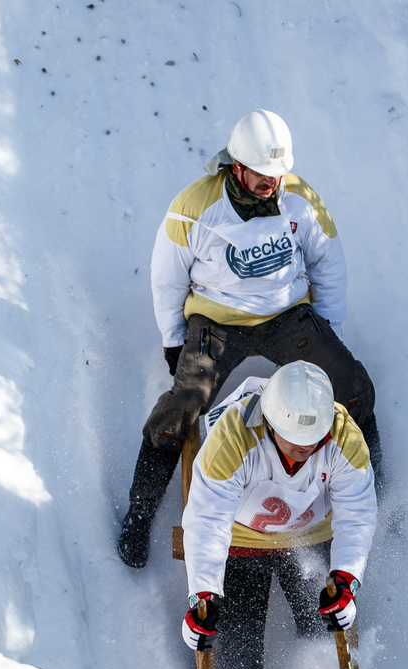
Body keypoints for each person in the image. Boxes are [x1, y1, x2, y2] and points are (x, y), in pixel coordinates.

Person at [118, 108, 382, 568]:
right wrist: (174, 339)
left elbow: (328, 263)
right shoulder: (195, 207)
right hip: (216, 321)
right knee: (184, 405)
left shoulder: (300, 198)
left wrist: (330, 337)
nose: (272, 184)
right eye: (262, 175)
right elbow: (166, 278)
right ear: (236, 166)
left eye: (278, 174)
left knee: (353, 389)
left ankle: (377, 489)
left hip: (287, 314)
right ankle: (139, 516)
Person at [181, 361, 377, 669]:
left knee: (328, 624)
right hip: (241, 540)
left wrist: (345, 577)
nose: (305, 450)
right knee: (237, 633)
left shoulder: (343, 438)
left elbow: (357, 514)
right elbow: (206, 522)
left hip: (309, 535)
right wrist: (203, 594)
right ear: (270, 424)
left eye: (313, 441)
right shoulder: (233, 439)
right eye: (295, 442)